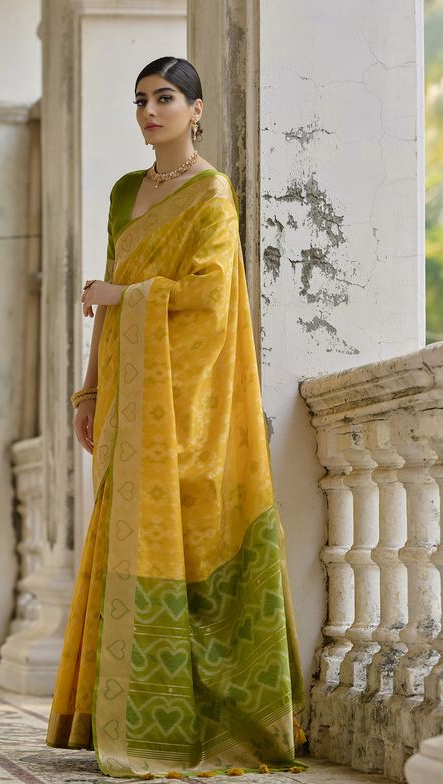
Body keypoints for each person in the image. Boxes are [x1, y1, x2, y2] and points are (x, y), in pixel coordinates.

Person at [46, 56, 307, 779]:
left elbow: (210, 296)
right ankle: (116, 710)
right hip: (127, 397)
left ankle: (196, 717)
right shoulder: (124, 192)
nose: (149, 112)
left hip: (184, 400)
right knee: (123, 536)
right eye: (140, 101)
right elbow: (105, 297)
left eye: (165, 98)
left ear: (196, 110)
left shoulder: (211, 193)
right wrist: (88, 392)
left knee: (185, 541)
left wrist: (126, 297)